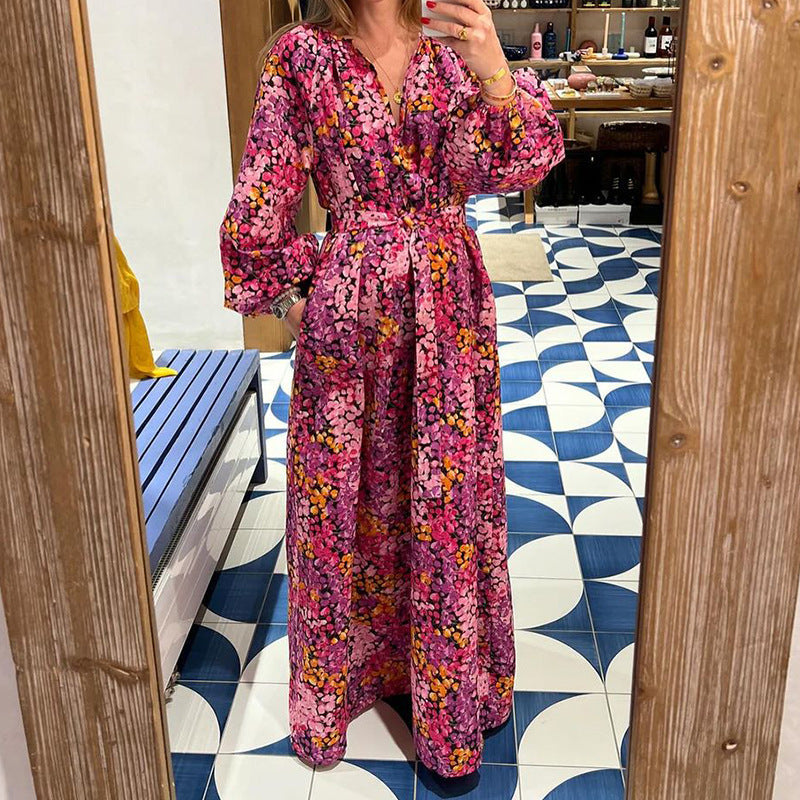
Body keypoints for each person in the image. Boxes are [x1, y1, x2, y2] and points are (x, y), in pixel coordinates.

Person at [219, 0, 565, 779]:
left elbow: (522, 164)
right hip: (348, 324)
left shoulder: (455, 44)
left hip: (448, 320)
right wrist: (297, 303)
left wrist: (496, 72)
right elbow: (255, 214)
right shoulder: (301, 58)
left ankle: (443, 699)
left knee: (444, 502)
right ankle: (350, 685)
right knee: (343, 499)